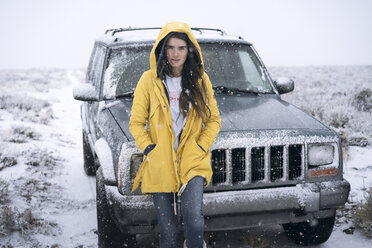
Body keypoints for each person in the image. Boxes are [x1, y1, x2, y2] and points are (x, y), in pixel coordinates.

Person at [129, 21, 221, 248]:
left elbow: (214, 120)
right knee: (168, 230)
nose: (175, 53)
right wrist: (150, 147)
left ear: (189, 50)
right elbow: (136, 123)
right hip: (160, 161)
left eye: (180, 48)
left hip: (193, 160)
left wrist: (201, 146)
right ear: (162, 50)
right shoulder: (148, 81)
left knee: (194, 219)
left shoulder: (201, 80)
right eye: (170, 47)